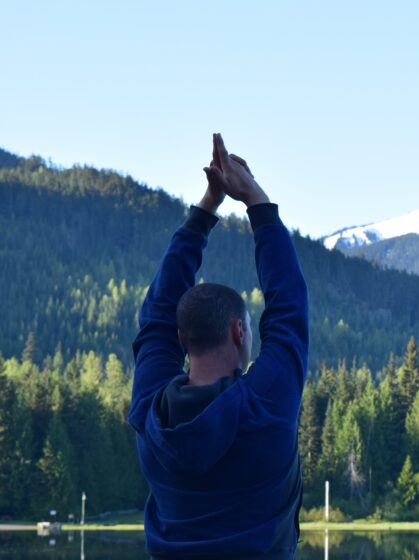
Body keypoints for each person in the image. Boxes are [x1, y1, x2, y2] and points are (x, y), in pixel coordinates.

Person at [129, 134, 309, 559]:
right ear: (239, 334)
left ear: (181, 339)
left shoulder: (150, 412)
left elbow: (156, 317)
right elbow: (289, 309)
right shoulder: (266, 406)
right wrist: (254, 199)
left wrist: (208, 208)